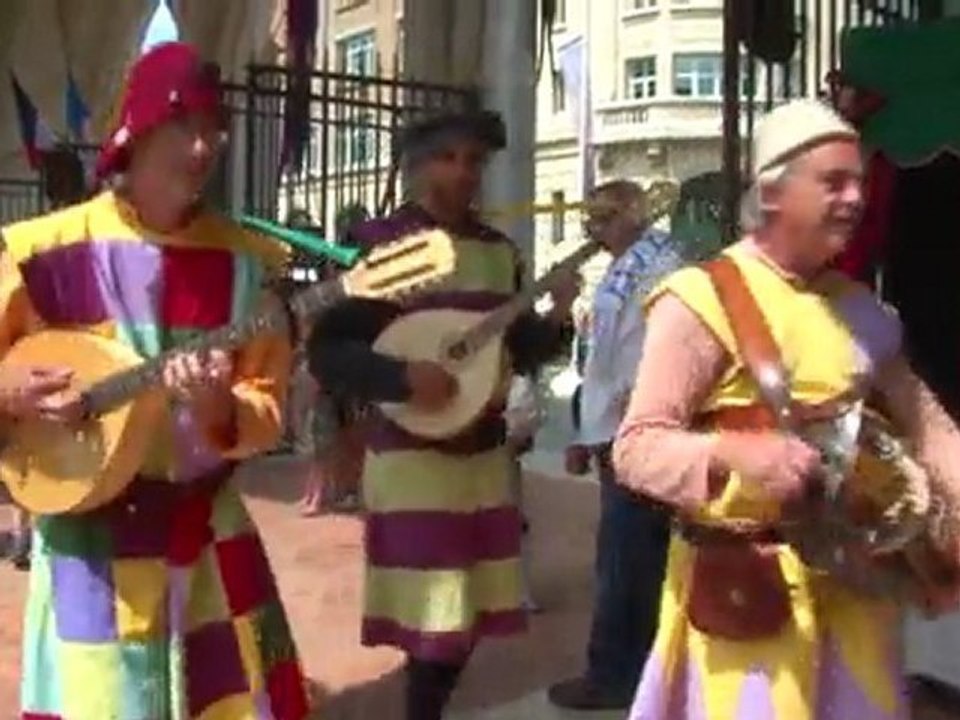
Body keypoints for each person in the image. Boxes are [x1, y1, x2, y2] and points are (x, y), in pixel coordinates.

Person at [614, 98, 960, 720]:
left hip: (860, 593)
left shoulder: (862, 310)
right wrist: (734, 453)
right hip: (751, 596)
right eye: (834, 182)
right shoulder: (700, 300)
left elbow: (926, 421)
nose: (855, 198)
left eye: (859, 182)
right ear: (773, 191)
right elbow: (636, 449)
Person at [2, 42, 309, 719]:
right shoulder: (34, 252)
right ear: (134, 133)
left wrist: (217, 408)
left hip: (207, 542)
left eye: (213, 129)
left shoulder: (248, 266)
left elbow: (266, 407)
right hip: (90, 548)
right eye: (183, 125)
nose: (203, 148)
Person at [308, 108, 578, 720]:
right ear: (417, 164)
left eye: (475, 160)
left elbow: (511, 351)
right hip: (413, 459)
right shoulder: (382, 245)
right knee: (434, 615)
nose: (463, 172)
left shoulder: (500, 252)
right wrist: (402, 378)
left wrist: (556, 317)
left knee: (470, 612)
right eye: (448, 156)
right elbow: (328, 349)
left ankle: (424, 707)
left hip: (483, 459)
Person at [550, 180, 683, 711]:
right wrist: (587, 432)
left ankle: (617, 675)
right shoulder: (624, 265)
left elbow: (656, 352)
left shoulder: (661, 266)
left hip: (642, 432)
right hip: (614, 431)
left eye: (603, 218)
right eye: (590, 220)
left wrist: (634, 418)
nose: (593, 230)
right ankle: (637, 670)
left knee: (628, 561)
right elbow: (601, 359)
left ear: (634, 213)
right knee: (629, 556)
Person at [504, 372, 545, 613]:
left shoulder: (516, 382)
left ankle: (516, 591)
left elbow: (522, 433)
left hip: (500, 462)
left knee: (511, 523)